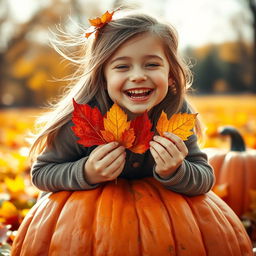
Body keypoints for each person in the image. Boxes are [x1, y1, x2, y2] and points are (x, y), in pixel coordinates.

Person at [29, 8, 214, 197]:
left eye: (152, 64)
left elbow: (205, 178)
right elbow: (41, 174)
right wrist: (87, 172)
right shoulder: (83, 118)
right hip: (81, 219)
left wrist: (175, 171)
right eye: (122, 66)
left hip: (156, 217)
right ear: (102, 77)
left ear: (171, 75)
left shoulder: (174, 112)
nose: (138, 76)